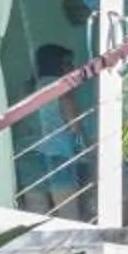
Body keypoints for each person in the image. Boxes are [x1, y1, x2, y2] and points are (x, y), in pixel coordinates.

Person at [13, 41, 94, 217]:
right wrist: (88, 151)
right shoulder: (62, 88)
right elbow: (74, 126)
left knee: (35, 213)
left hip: (28, 155)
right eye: (68, 63)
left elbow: (20, 124)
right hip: (56, 156)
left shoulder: (26, 89)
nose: (73, 68)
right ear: (57, 65)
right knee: (69, 214)